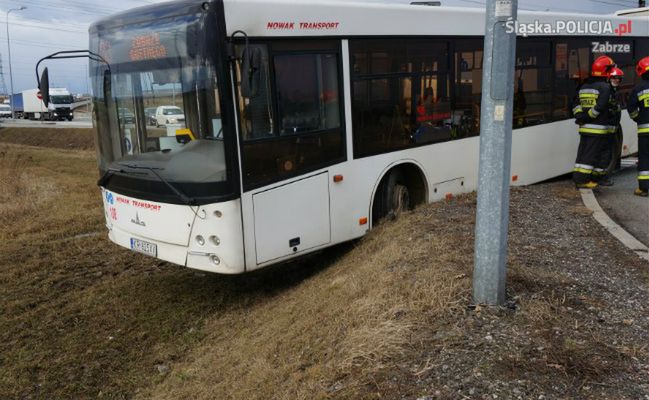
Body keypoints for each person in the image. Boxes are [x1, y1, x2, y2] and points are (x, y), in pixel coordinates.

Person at [572, 55, 616, 189]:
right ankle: (583, 181)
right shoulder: (605, 87)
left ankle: (578, 178)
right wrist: (589, 116)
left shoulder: (584, 86)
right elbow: (600, 106)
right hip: (597, 128)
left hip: (584, 127)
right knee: (590, 155)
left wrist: (581, 116)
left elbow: (575, 104)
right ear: (604, 71)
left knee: (582, 154)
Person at [595, 67, 625, 186]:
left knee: (607, 155)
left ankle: (602, 177)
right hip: (605, 129)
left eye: (619, 78)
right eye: (614, 78)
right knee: (604, 155)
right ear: (608, 78)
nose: (617, 80)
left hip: (611, 130)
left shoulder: (614, 91)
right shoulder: (607, 91)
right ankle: (602, 178)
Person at [627, 56, 649, 197]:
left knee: (645, 158)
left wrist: (638, 118)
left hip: (645, 131)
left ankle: (644, 189)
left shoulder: (639, 88)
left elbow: (631, 108)